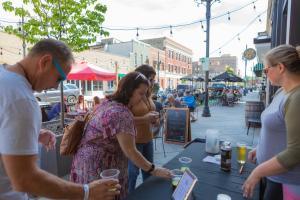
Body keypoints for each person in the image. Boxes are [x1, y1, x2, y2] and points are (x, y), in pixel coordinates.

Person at [0, 39, 120, 200]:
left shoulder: (5, 78)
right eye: (60, 78)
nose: (57, 87)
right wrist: (86, 192)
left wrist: (34, 133)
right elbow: (25, 179)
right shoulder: (22, 99)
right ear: (45, 62)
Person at [70, 72, 171, 199]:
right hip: (99, 168)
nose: (143, 97)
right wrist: (154, 170)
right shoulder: (120, 113)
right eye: (141, 93)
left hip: (89, 163)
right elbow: (131, 151)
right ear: (129, 90)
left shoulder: (108, 102)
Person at [243, 45, 300, 200]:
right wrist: (260, 148)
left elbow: (296, 153)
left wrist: (257, 172)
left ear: (280, 67)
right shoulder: (283, 91)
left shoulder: (296, 98)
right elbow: (278, 129)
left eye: (267, 70)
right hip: (271, 175)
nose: (265, 73)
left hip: (284, 182)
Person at [127, 65, 161, 193]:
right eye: (151, 79)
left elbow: (149, 113)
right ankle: (129, 195)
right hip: (134, 141)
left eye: (153, 80)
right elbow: (124, 119)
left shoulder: (147, 94)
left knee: (149, 170)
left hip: (148, 139)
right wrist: (145, 119)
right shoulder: (133, 95)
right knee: (133, 174)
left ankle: (148, 195)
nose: (153, 82)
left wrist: (155, 120)